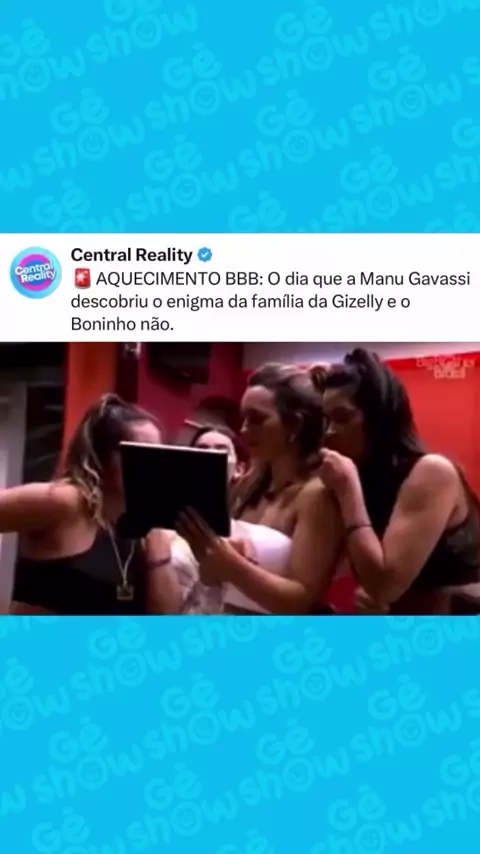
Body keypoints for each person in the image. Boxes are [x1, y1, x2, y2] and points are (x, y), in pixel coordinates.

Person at [317, 348, 480, 614]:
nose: (330, 432)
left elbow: (383, 586)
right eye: (327, 420)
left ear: (380, 418)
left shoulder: (432, 472)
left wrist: (347, 489)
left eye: (343, 418)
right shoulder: (367, 477)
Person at [177, 363, 344, 614]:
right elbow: (212, 574)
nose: (244, 429)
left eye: (257, 420)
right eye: (243, 418)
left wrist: (230, 564)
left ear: (294, 425)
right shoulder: (249, 485)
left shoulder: (316, 495)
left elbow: (300, 600)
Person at [4, 394, 182, 616]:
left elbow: (166, 619)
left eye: (158, 454)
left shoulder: (141, 528)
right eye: (141, 453)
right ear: (103, 457)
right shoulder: (67, 502)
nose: (154, 466)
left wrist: (157, 544)